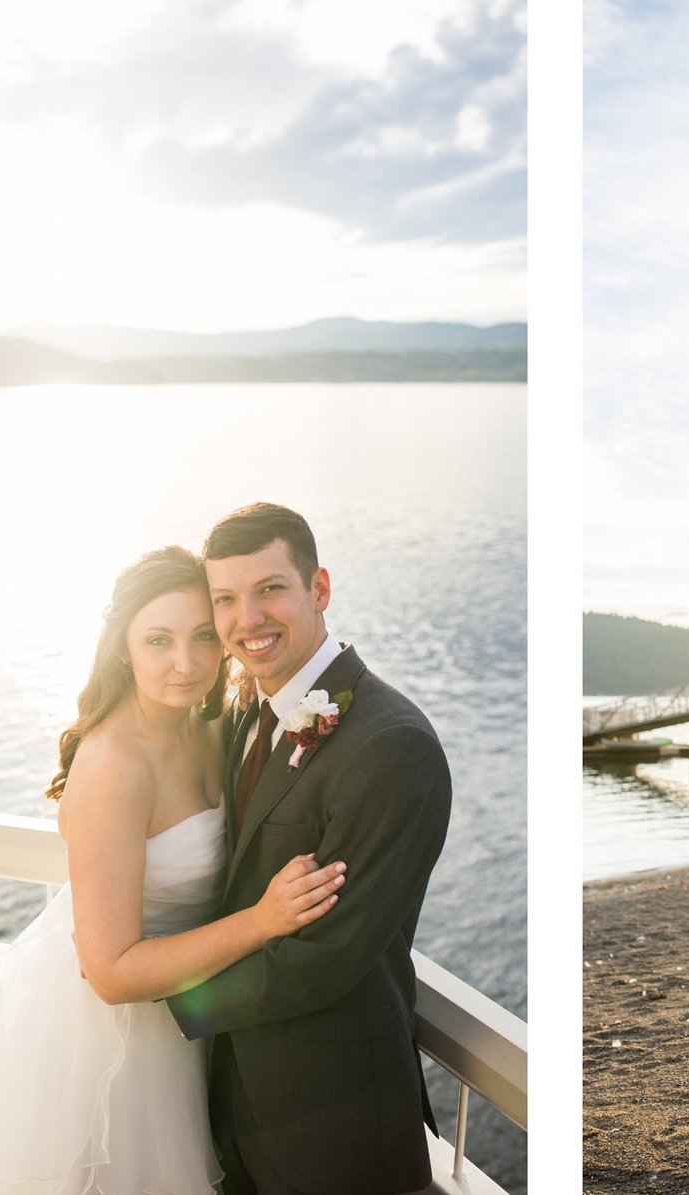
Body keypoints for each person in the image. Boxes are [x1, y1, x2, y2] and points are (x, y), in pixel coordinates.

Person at [0, 545, 344, 1193]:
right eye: (159, 640)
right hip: (111, 1044)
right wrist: (263, 919)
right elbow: (109, 972)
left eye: (202, 636)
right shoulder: (114, 765)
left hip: (187, 1020)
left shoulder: (212, 725)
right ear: (123, 647)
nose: (186, 663)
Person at [166, 503, 454, 1195]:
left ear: (318, 589)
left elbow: (323, 958)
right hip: (236, 1108)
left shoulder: (392, 746)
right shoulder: (244, 708)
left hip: (336, 1126)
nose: (248, 619)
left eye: (270, 589)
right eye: (226, 599)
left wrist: (159, 992)